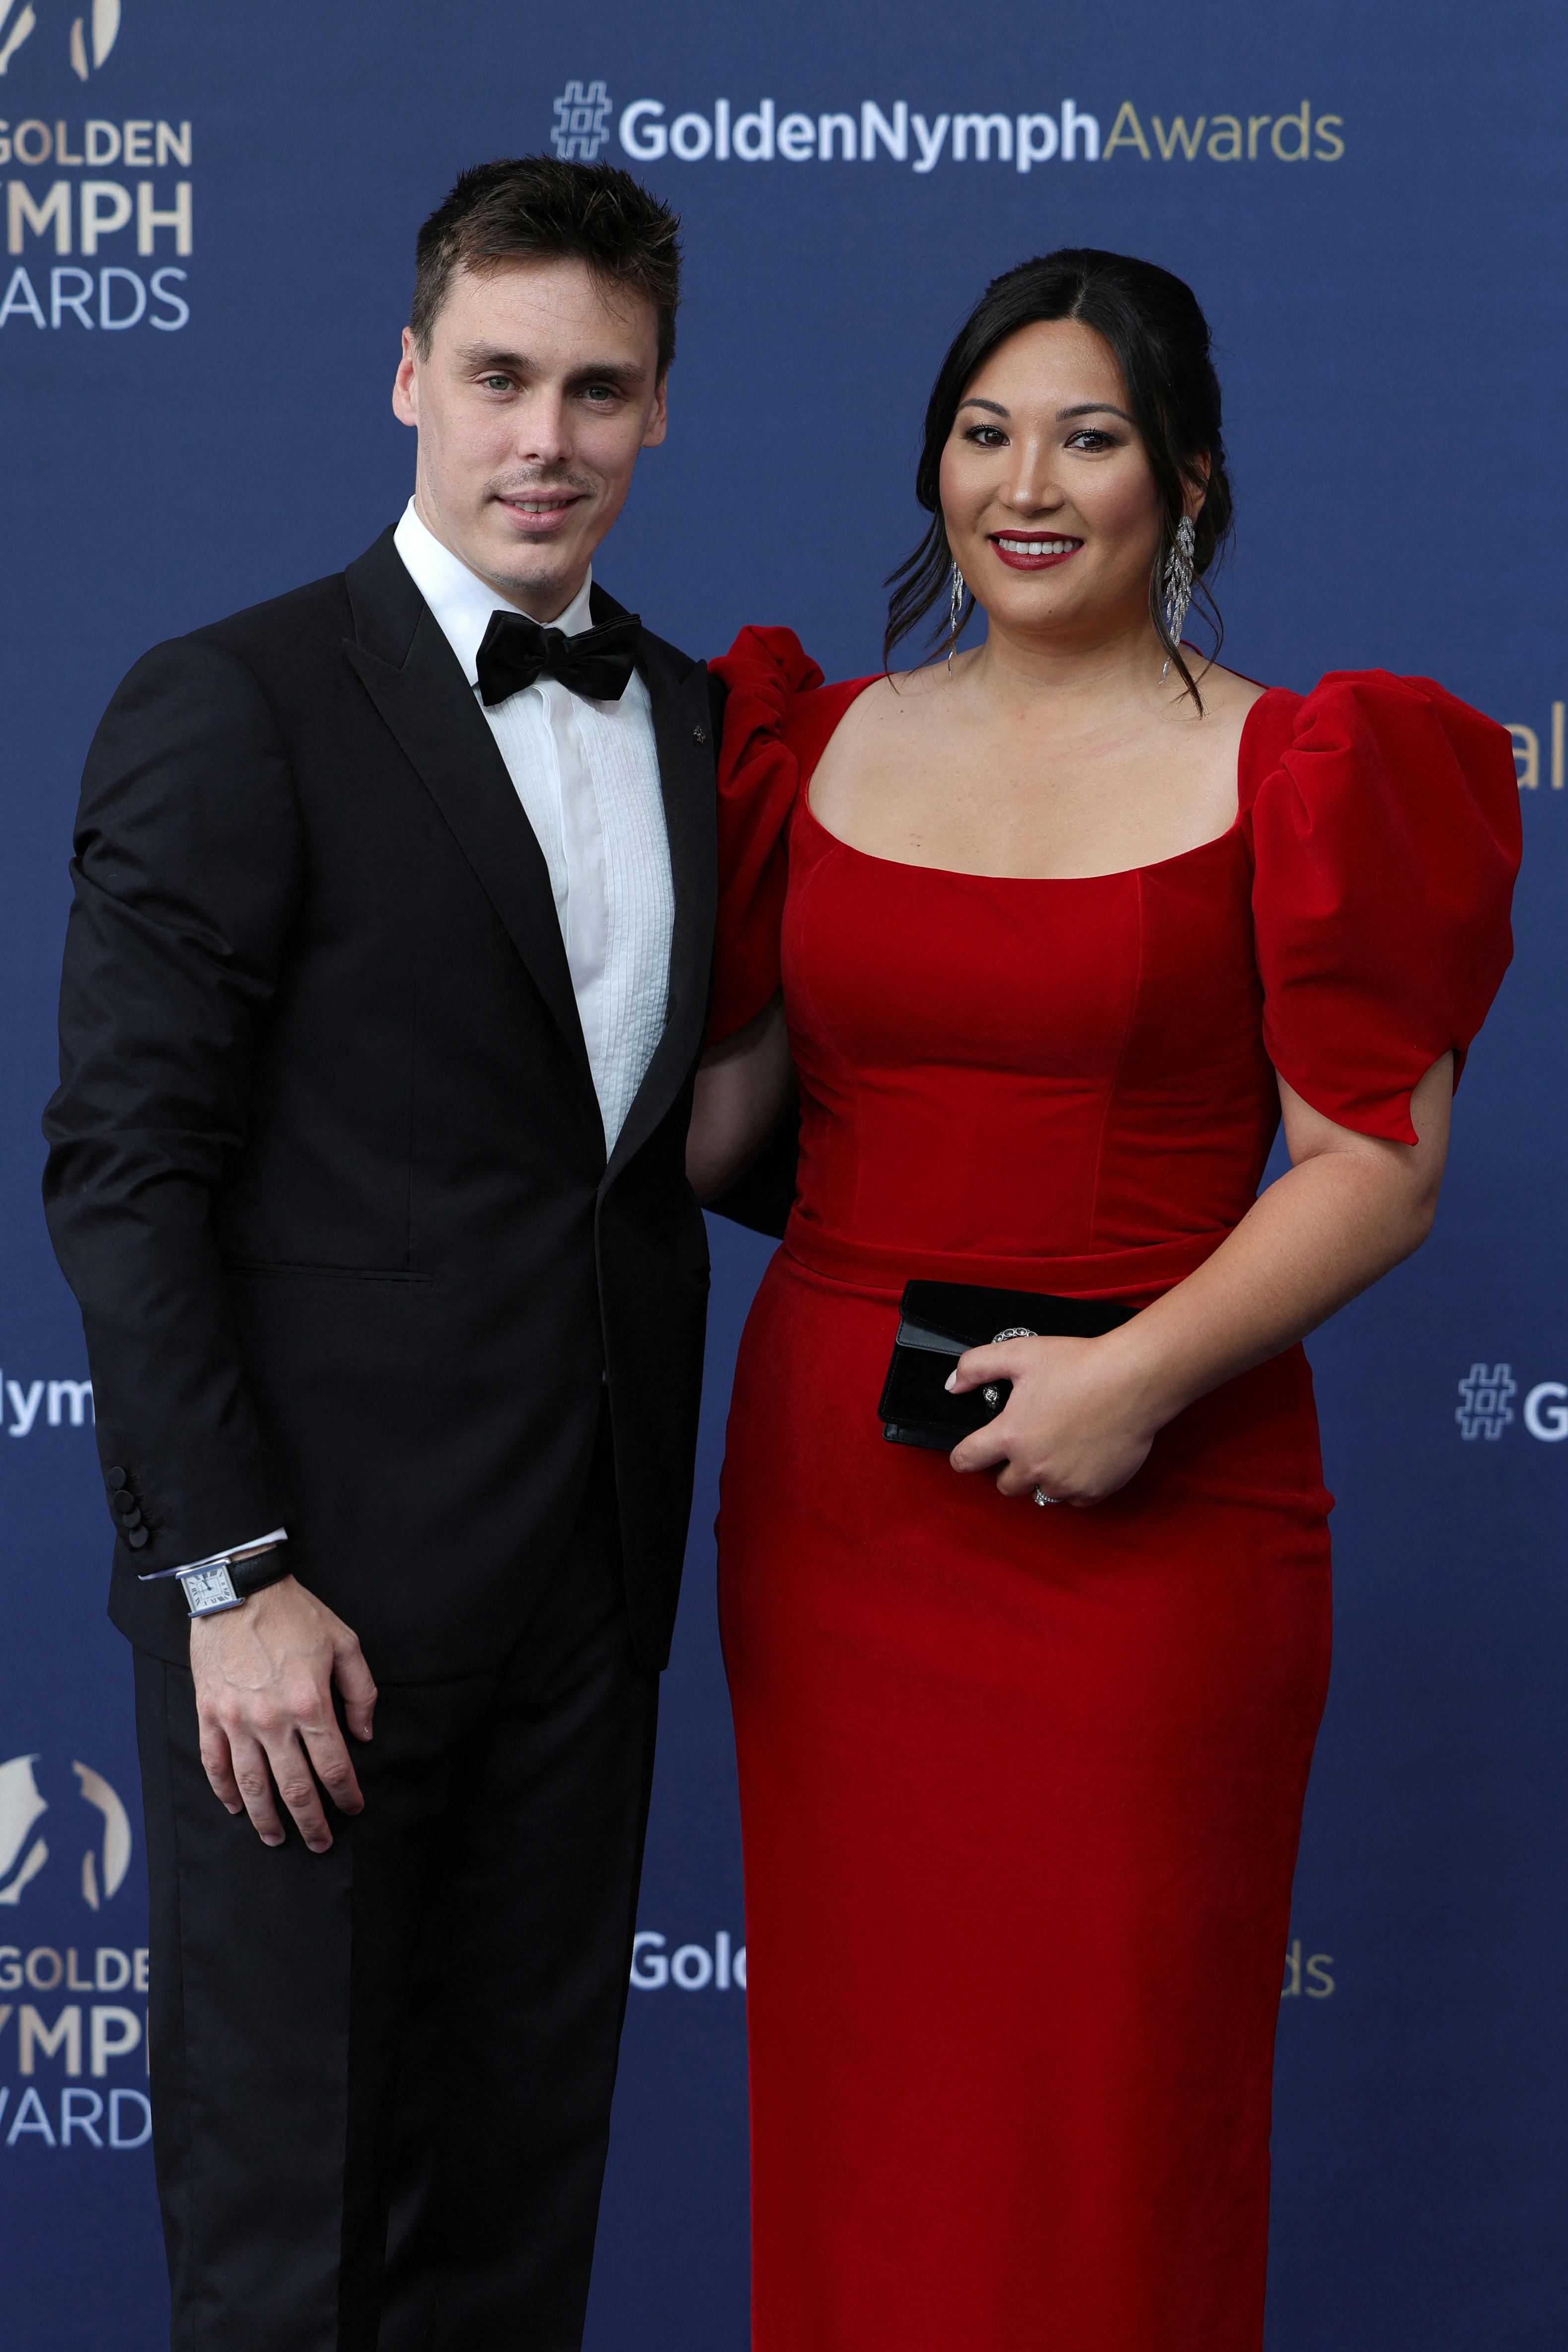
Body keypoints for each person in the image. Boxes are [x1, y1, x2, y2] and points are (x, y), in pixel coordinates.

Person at [687, 248, 1520, 2352]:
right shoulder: (816, 745)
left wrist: (1128, 1381)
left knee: (1112, 2119)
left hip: (1159, 1518)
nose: (1025, 483)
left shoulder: (1312, 764)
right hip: (839, 1518)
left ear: (1190, 485)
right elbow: (714, 1135)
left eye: (1089, 435)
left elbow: (1378, 1170)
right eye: (984, 433)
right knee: (871, 2113)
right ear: (934, 467)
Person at [43, 156, 719, 2352]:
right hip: (305, 1626)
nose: (548, 437)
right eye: (503, 376)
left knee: (516, 2229)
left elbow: (650, 1148)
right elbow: (124, 1168)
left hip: (583, 1605)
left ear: (654, 412)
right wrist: (230, 1582)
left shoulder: (699, 726)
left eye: (599, 389)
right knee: (292, 2250)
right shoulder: (235, 700)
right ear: (409, 377)